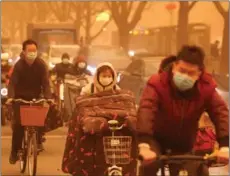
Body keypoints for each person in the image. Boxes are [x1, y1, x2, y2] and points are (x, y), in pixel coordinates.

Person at [137, 45, 229, 176]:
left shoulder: (206, 88)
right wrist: (144, 144)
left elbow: (221, 113)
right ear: (174, 66)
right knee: (149, 166)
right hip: (155, 140)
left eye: (191, 73)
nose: (185, 76)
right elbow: (146, 110)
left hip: (184, 144)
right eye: (182, 70)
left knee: (193, 171)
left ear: (199, 73)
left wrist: (225, 146)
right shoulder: (157, 83)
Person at [7, 39, 52, 164]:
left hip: (36, 98)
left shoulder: (41, 65)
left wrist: (48, 97)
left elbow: (46, 83)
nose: (32, 53)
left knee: (40, 121)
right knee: (19, 126)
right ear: (24, 52)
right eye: (29, 51)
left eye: (34, 50)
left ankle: (37, 141)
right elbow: (12, 83)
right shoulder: (19, 66)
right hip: (19, 99)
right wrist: (11, 97)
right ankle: (14, 151)